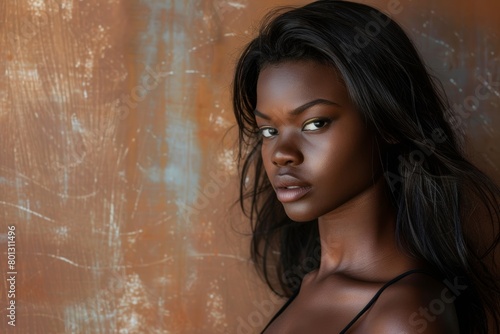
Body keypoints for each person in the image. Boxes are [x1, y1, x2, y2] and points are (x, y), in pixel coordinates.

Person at [232, 0, 500, 333]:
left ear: (387, 123)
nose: (281, 154)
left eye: (315, 123)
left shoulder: (404, 316)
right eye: (269, 131)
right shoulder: (310, 284)